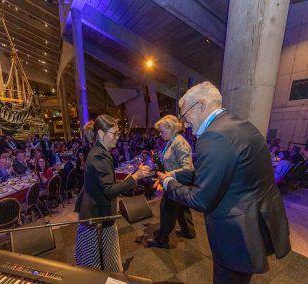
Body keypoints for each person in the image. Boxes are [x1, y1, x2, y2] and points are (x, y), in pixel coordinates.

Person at [157, 82, 291, 283]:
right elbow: (220, 174)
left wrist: (169, 184)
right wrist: (175, 176)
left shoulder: (213, 136)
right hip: (256, 219)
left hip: (237, 231)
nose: (184, 124)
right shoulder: (240, 125)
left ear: (201, 105)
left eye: (185, 116)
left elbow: (201, 200)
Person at [75, 115, 150, 272]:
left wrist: (129, 179)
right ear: (101, 134)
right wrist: (135, 177)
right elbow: (109, 191)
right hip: (96, 218)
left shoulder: (99, 152)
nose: (118, 137)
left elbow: (103, 185)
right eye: (114, 134)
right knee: (94, 266)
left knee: (103, 261)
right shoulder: (99, 155)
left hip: (96, 215)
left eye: (118, 133)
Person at [147, 115, 195, 249]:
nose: (160, 134)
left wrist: (168, 174)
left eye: (162, 131)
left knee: (167, 209)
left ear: (172, 128)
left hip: (175, 182)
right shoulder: (172, 140)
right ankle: (189, 232)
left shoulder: (179, 142)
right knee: (181, 208)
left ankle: (162, 240)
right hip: (173, 181)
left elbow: (188, 169)